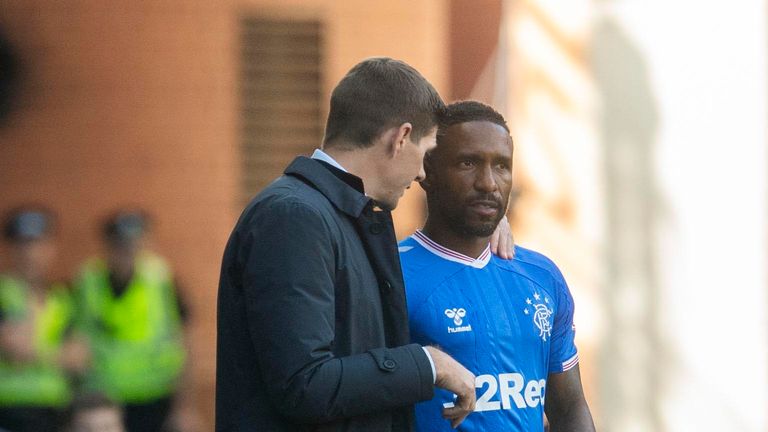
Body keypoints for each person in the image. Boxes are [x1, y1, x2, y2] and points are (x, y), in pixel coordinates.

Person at [216, 57, 481, 432]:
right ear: (401, 137)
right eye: (426, 153)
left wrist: (486, 232)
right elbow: (304, 384)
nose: (422, 173)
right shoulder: (294, 217)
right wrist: (428, 365)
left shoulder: (346, 217)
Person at [399, 101, 596, 431]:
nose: (488, 183)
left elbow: (570, 407)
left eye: (502, 166)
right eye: (467, 163)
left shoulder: (542, 277)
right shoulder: (391, 273)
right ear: (427, 171)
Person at [74, 210, 193, 432]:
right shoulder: (87, 281)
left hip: (154, 398)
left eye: (135, 242)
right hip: (103, 402)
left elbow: (185, 343)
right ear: (107, 245)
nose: (128, 250)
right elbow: (75, 339)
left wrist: (184, 408)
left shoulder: (162, 279)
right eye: (120, 244)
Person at [0, 207, 88, 432]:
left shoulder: (63, 297)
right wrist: (59, 355)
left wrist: (35, 352)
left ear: (52, 248)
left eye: (39, 243)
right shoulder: (4, 294)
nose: (31, 253)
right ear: (9, 249)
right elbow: (16, 350)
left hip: (55, 412)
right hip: (9, 412)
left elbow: (80, 359)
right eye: (23, 245)